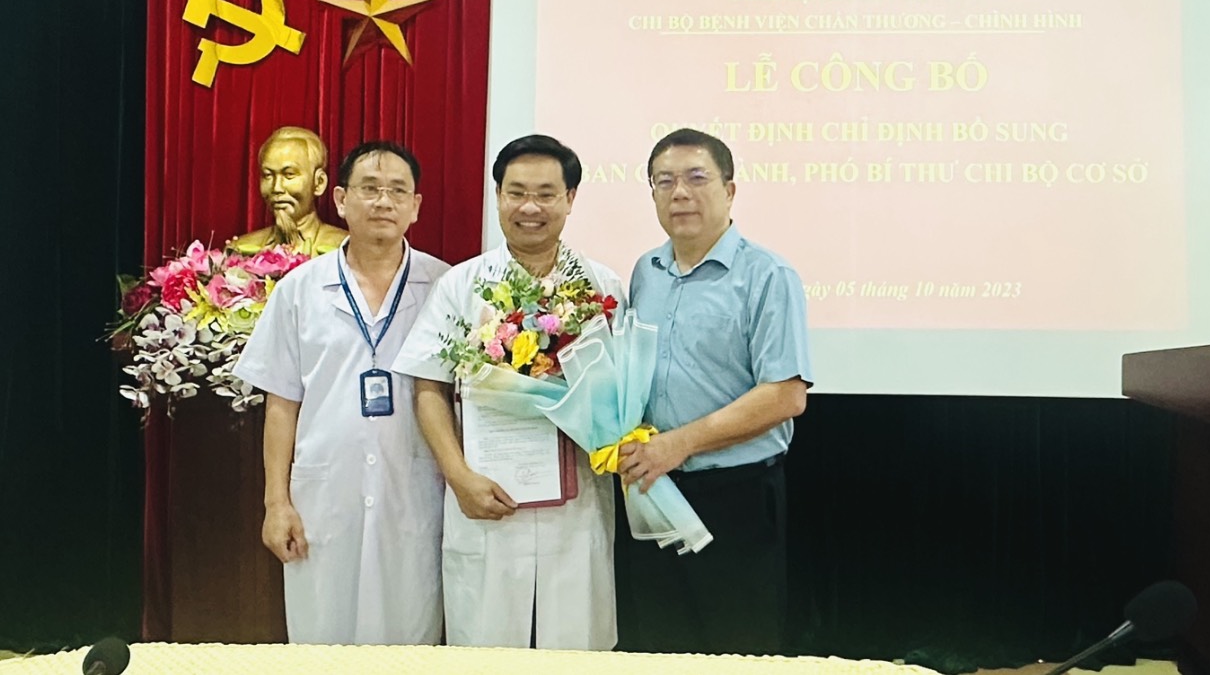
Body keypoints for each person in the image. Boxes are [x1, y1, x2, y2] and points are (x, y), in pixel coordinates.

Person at [393, 134, 621, 650]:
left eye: (546, 193)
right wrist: (459, 478)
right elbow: (427, 388)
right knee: (487, 648)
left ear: (570, 198)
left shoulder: (603, 288)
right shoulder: (462, 285)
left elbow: (625, 395)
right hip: (486, 497)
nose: (530, 207)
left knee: (576, 648)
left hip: (576, 507)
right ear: (497, 196)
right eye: (516, 192)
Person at [233, 140, 451, 645]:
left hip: (414, 496)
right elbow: (281, 404)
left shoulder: (445, 286)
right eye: (369, 188)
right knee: (321, 642)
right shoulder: (299, 290)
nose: (383, 202)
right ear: (339, 198)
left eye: (398, 191)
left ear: (416, 206)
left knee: (409, 644)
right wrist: (276, 503)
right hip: (323, 500)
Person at [618, 127, 812, 656]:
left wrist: (678, 444)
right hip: (654, 490)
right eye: (664, 181)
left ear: (729, 190)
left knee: (738, 649)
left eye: (696, 178)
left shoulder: (767, 275)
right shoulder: (646, 272)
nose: (679, 192)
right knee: (660, 645)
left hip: (736, 497)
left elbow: (785, 396)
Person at [228, 126, 347, 257]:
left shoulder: (345, 249)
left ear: (319, 182)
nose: (276, 188)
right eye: (268, 175)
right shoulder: (240, 250)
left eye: (289, 174)